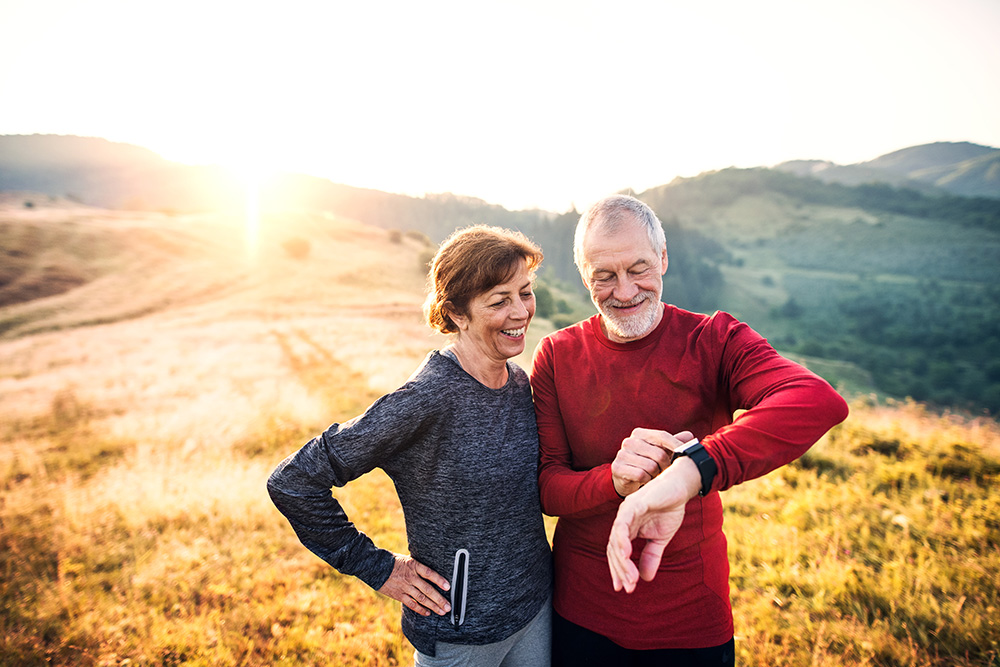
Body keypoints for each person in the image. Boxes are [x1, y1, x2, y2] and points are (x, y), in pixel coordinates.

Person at [530, 194, 849, 665]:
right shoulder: (556, 355)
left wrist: (691, 470)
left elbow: (816, 400)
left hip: (690, 619)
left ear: (663, 258)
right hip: (582, 612)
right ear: (584, 277)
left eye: (638, 268)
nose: (623, 291)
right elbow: (548, 488)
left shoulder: (715, 339)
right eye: (604, 275)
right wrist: (614, 480)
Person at [267, 225, 553, 666]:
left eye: (525, 293)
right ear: (458, 314)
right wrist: (379, 569)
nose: (521, 312)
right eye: (499, 301)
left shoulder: (516, 381)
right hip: (459, 633)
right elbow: (293, 482)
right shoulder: (425, 399)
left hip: (535, 612)